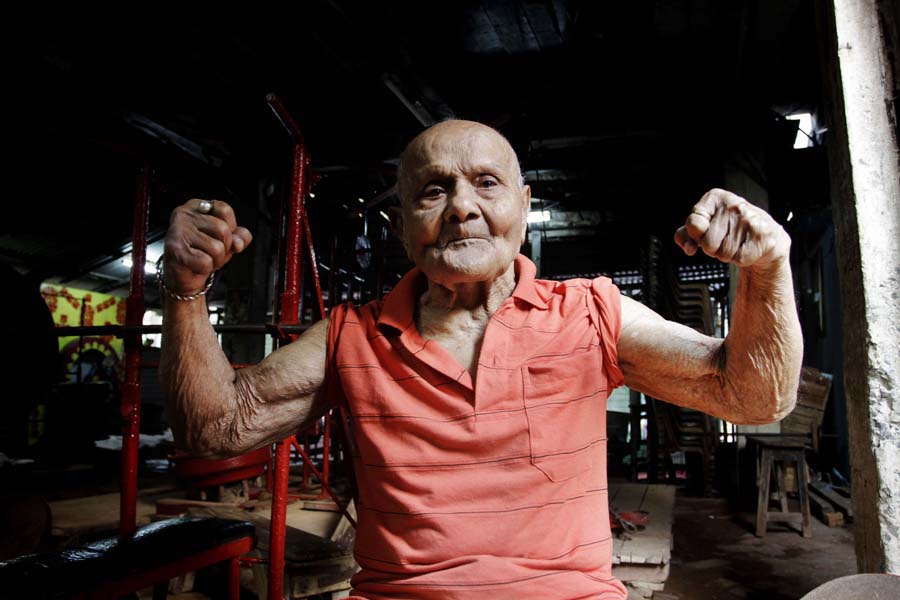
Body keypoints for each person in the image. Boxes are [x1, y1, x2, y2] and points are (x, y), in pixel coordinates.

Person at [159, 119, 802, 599]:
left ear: (523, 206)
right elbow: (214, 429)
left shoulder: (590, 313)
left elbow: (752, 395)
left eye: (485, 184)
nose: (462, 206)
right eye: (434, 191)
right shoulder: (350, 337)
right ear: (403, 225)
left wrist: (769, 267)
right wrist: (186, 289)